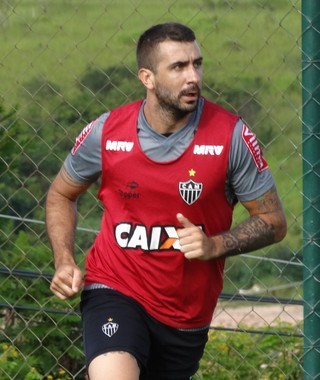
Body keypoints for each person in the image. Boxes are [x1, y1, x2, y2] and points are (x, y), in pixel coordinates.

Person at [46, 22, 287, 380]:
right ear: (147, 77)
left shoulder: (231, 136)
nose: (193, 76)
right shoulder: (107, 132)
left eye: (197, 64)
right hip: (114, 287)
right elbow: (60, 194)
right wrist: (64, 260)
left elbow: (274, 222)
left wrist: (213, 244)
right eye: (178, 67)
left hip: (185, 315)